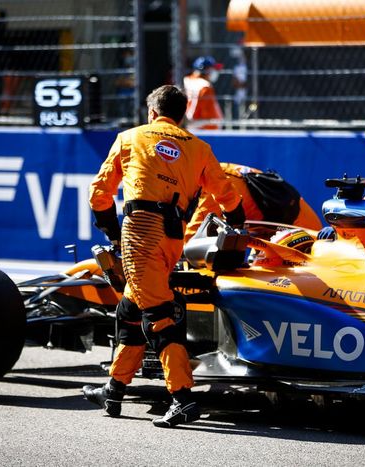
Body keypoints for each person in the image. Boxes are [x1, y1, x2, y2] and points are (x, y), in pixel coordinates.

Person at [83, 84, 245, 428]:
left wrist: (112, 231)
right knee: (131, 311)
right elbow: (227, 195)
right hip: (173, 236)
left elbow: (99, 193)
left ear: (152, 112)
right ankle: (113, 389)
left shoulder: (131, 137)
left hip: (140, 231)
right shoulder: (199, 147)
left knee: (156, 315)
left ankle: (183, 396)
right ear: (182, 115)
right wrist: (235, 221)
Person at [184, 162, 322, 242]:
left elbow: (191, 237)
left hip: (298, 228)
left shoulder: (214, 182)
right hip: (272, 229)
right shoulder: (217, 170)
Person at [183, 56, 223, 130]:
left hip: (194, 126)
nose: (215, 72)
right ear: (205, 70)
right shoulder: (204, 86)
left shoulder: (186, 80)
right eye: (212, 69)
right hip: (203, 128)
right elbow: (193, 112)